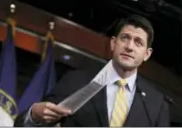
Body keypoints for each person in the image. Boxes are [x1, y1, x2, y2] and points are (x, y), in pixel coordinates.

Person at [14, 15, 170, 127]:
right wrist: (33, 116)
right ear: (113, 43)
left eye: (138, 42)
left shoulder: (156, 103)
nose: (129, 46)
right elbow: (27, 123)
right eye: (125, 38)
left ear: (147, 54)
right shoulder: (76, 81)